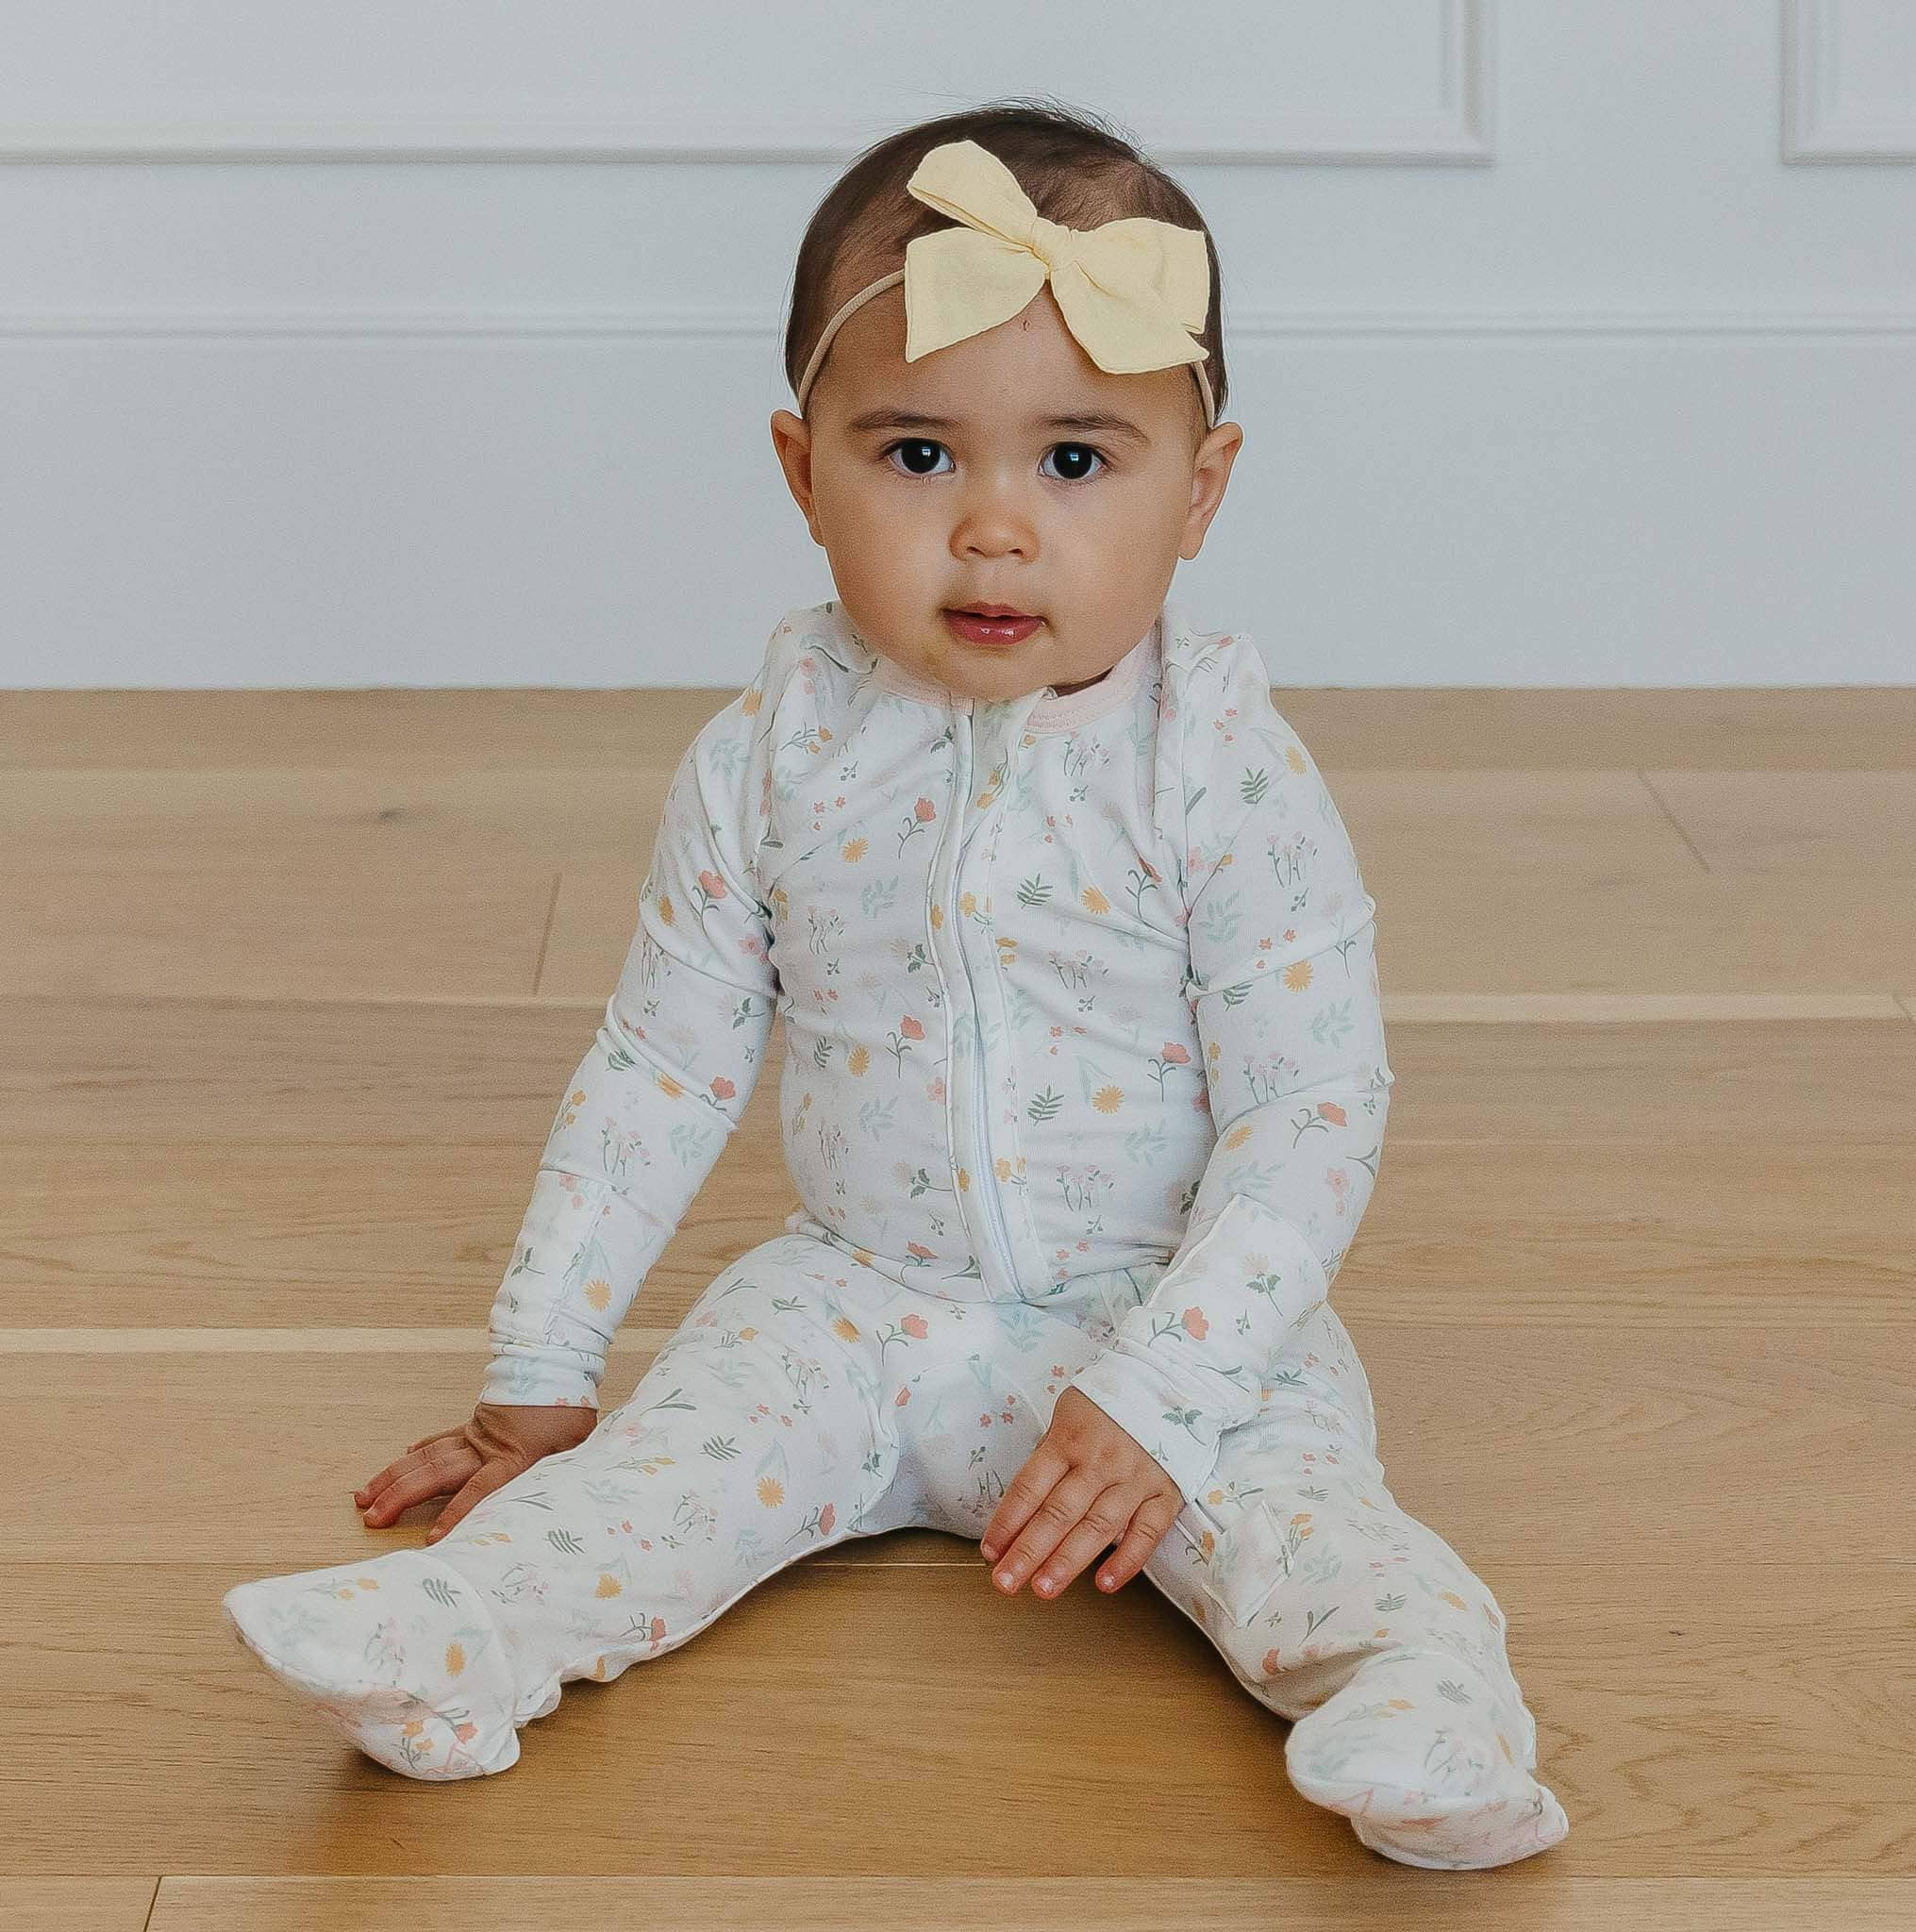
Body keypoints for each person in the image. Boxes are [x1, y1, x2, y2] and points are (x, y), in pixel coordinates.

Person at [223, 101, 1571, 1871]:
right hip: (853, 1300)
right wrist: (538, 1369)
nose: (994, 529)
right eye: (918, 455)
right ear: (803, 473)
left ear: (1200, 492)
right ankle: (455, 1640)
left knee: (1307, 1525)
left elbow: (1309, 1111)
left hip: (1160, 1317)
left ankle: (1426, 1701)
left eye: (1075, 460)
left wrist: (1167, 1391)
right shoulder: (768, 758)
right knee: (654, 1481)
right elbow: (660, 1070)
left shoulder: (1222, 772)